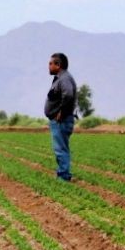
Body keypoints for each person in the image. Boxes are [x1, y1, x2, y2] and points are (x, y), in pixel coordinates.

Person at [44, 52, 77, 181]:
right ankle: (63, 173)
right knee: (61, 148)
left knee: (60, 149)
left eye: (51, 63)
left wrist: (61, 112)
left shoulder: (64, 78)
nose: (49, 66)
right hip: (59, 120)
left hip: (61, 121)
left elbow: (68, 95)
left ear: (58, 65)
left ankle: (63, 176)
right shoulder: (61, 78)